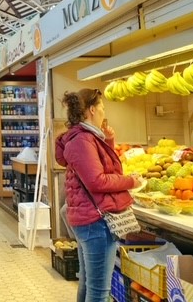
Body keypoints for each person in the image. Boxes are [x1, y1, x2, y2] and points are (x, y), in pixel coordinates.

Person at [55, 89, 142, 302]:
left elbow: (100, 169)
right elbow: (97, 181)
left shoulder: (86, 138)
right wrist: (132, 181)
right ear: (92, 110)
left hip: (88, 217)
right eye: (102, 106)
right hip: (95, 221)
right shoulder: (83, 140)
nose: (104, 110)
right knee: (99, 291)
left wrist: (109, 141)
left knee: (88, 283)